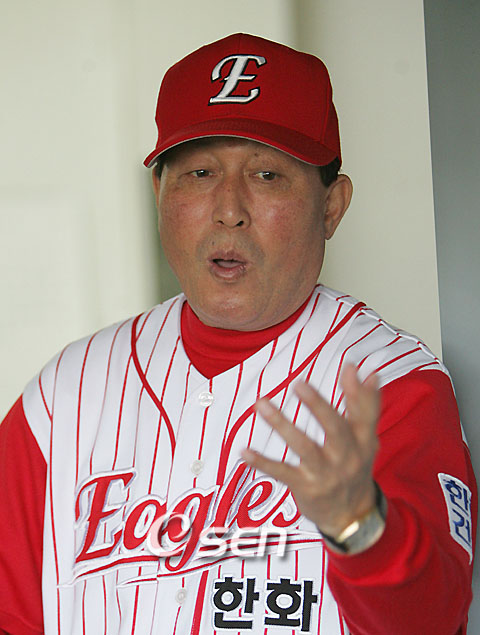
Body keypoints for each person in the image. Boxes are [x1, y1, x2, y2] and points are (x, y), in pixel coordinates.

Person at [0, 32, 476, 635]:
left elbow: (434, 618)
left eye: (267, 174)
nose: (230, 209)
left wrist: (363, 528)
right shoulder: (62, 399)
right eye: (200, 173)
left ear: (332, 206)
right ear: (160, 193)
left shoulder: (395, 383)